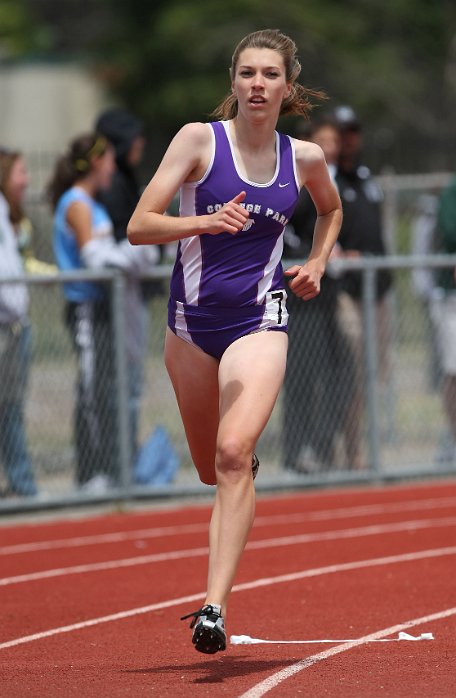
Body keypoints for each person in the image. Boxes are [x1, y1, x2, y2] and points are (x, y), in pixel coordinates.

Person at [128, 28, 342, 654]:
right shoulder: (199, 140)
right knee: (209, 467)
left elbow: (329, 210)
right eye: (247, 73)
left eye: (269, 74)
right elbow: (140, 225)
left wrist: (319, 262)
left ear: (286, 86)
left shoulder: (304, 159)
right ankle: (236, 475)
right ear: (233, 82)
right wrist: (204, 219)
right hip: (191, 326)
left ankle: (213, 607)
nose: (257, 84)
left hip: (261, 318)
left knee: (231, 452)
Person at [48, 132, 159, 492]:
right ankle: (90, 472)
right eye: (109, 160)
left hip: (104, 308)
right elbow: (92, 257)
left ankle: (109, 468)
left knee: (108, 388)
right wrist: (130, 255)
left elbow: (106, 252)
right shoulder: (77, 202)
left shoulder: (92, 203)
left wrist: (132, 254)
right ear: (96, 162)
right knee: (92, 391)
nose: (113, 168)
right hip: (86, 307)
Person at [283, 116, 355, 472]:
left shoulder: (342, 182)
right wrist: (312, 257)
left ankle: (324, 445)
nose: (327, 148)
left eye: (333, 141)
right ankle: (298, 450)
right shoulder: (291, 181)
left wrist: (335, 253)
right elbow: (283, 231)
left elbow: (337, 217)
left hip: (331, 291)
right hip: (298, 293)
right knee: (301, 373)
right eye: (320, 141)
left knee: (341, 370)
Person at [334, 105, 392, 469]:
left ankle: (371, 449)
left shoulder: (367, 178)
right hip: (348, 291)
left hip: (378, 290)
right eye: (342, 132)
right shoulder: (329, 178)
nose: (348, 138)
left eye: (353, 130)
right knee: (352, 373)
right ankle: (352, 451)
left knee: (376, 373)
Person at [94, 108, 151, 461]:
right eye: (134, 139)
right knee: (110, 386)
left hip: (132, 295)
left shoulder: (127, 179)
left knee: (130, 384)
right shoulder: (112, 185)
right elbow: (122, 240)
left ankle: (126, 460)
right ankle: (114, 464)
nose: (140, 146)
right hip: (109, 302)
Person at [0, 147, 38, 497]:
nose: (26, 180)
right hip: (7, 326)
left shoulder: (10, 215)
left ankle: (21, 481)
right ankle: (23, 482)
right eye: (20, 173)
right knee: (8, 407)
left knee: (10, 406)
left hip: (13, 324)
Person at [435, 173, 456, 461]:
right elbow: (450, 229)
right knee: (453, 371)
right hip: (452, 297)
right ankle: (453, 438)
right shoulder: (451, 193)